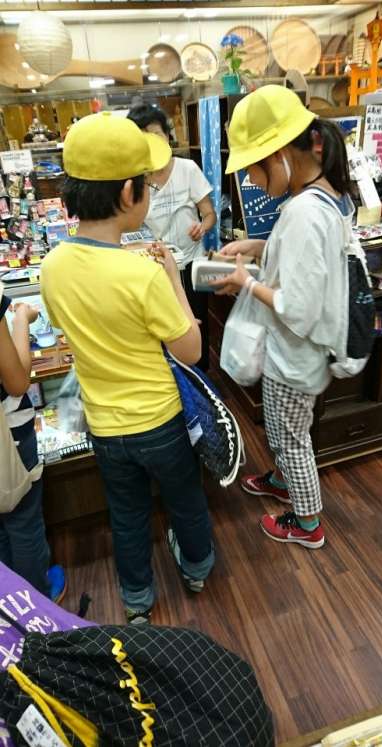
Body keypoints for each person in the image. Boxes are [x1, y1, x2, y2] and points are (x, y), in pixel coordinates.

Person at [40, 113, 215, 623]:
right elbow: (190, 351)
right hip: (160, 421)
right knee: (185, 499)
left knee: (127, 512)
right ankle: (197, 567)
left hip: (104, 425)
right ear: (126, 192)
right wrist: (173, 279)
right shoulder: (142, 274)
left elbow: (73, 326)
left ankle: (137, 600)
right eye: (144, 183)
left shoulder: (52, 267)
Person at [214, 85, 353, 550]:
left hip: (295, 357)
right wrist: (259, 247)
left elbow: (299, 307)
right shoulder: (324, 197)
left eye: (253, 168)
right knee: (285, 428)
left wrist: (246, 283)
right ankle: (280, 479)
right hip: (303, 354)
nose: (252, 181)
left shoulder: (302, 213)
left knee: (291, 438)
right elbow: (307, 264)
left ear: (278, 156)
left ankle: (308, 521)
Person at [127, 104, 216, 372]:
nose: (152, 142)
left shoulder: (187, 169)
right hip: (155, 269)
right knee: (164, 329)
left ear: (168, 135)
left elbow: (209, 214)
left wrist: (203, 227)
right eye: (143, 137)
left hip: (191, 262)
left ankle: (201, 378)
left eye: (156, 134)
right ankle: (173, 377)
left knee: (196, 324)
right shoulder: (135, 177)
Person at [0, 294, 66, 600]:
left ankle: (11, 600)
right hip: (8, 433)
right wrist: (21, 321)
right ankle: (38, 598)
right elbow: (16, 382)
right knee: (22, 521)